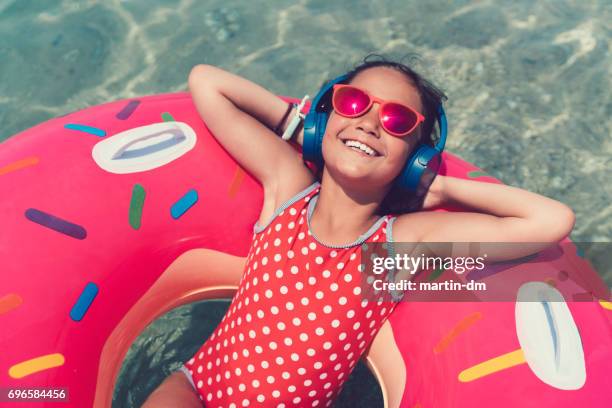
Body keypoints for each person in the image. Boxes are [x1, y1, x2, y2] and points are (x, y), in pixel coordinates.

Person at [143, 55, 575, 407]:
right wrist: (300, 128)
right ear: (324, 119)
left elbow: (550, 220)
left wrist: (438, 185)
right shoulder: (288, 189)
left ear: (415, 157)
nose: (369, 122)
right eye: (352, 102)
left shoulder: (397, 245)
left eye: (397, 120)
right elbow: (207, 80)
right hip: (194, 389)